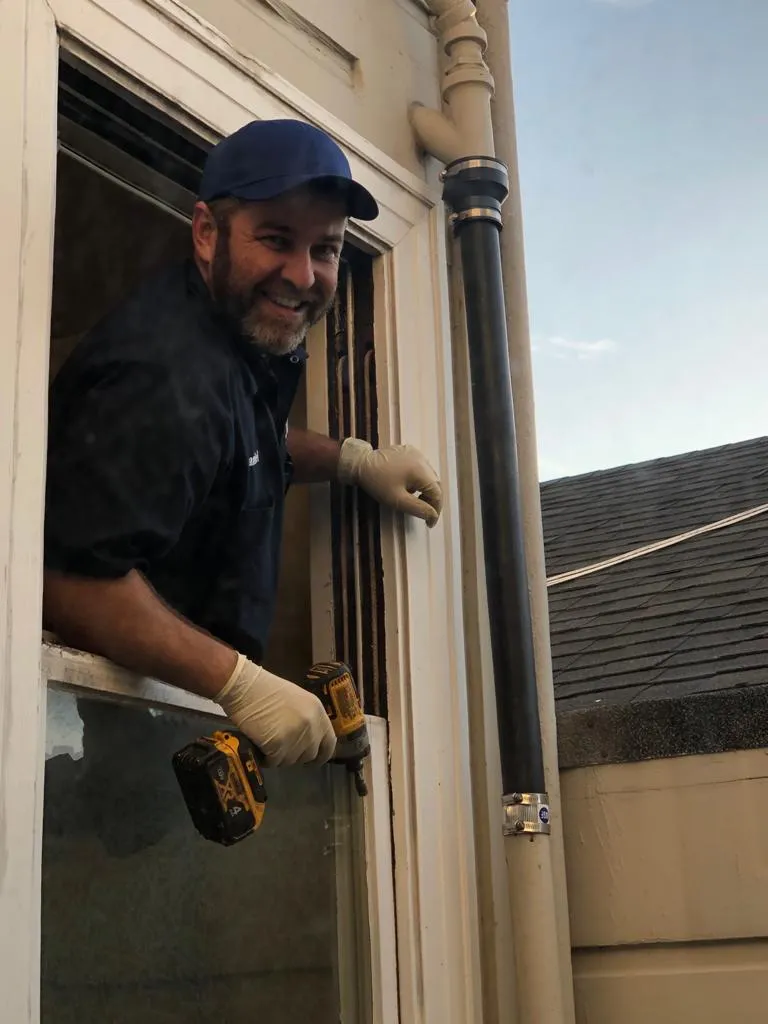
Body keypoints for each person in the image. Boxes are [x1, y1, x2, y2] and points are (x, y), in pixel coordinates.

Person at [44, 118, 442, 770]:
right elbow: (69, 580)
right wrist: (235, 681)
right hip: (118, 708)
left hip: (177, 707)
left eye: (327, 249)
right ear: (207, 233)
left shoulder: (235, 334)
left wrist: (352, 460)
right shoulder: (163, 373)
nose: (303, 274)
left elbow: (246, 440)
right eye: (277, 239)